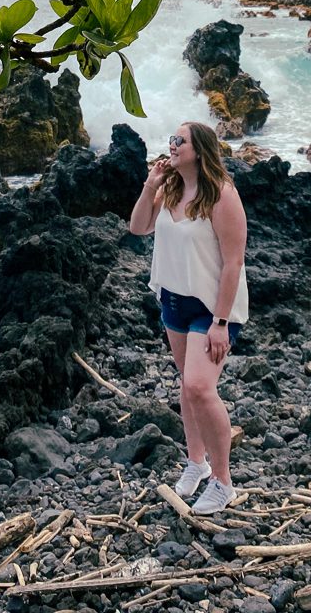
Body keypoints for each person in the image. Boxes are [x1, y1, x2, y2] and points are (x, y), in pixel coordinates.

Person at [129, 121, 249, 515]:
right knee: (186, 385)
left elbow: (233, 263)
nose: (172, 145)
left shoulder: (221, 195)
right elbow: (137, 226)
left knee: (200, 387)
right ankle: (196, 464)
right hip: (174, 301)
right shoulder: (170, 190)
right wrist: (151, 184)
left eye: (180, 140)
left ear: (200, 149)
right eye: (171, 139)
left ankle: (222, 481)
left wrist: (220, 322)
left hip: (212, 308)